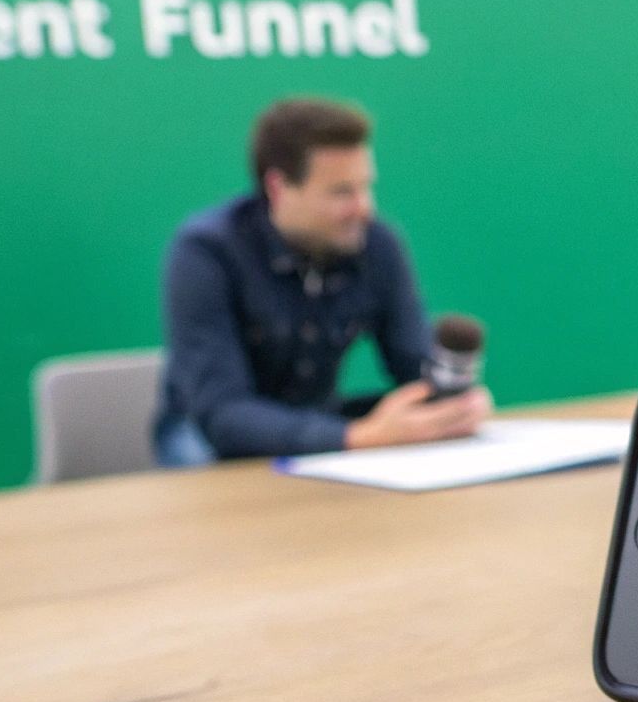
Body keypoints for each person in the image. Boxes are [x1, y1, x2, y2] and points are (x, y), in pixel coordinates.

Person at [154, 97, 491, 464]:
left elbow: (415, 368)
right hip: (205, 438)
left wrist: (451, 406)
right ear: (279, 188)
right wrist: (361, 436)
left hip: (322, 421)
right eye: (342, 192)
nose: (364, 208)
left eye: (366, 187)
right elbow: (223, 415)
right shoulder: (207, 252)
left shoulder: (377, 244)